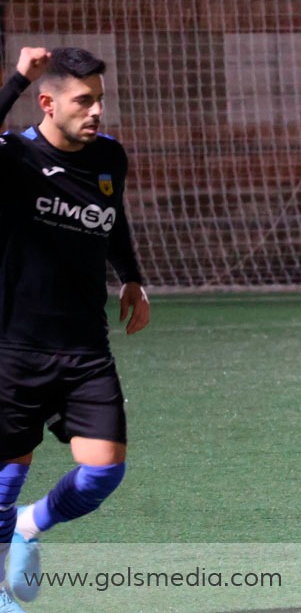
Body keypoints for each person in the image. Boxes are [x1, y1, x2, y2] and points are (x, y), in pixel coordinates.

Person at [0, 47, 151, 612]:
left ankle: (30, 527)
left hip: (85, 347)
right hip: (12, 346)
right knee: (5, 477)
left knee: (104, 470)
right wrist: (18, 76)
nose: (96, 112)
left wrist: (131, 277)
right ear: (47, 102)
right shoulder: (14, 156)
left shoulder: (109, 156)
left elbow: (112, 218)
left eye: (100, 100)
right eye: (83, 101)